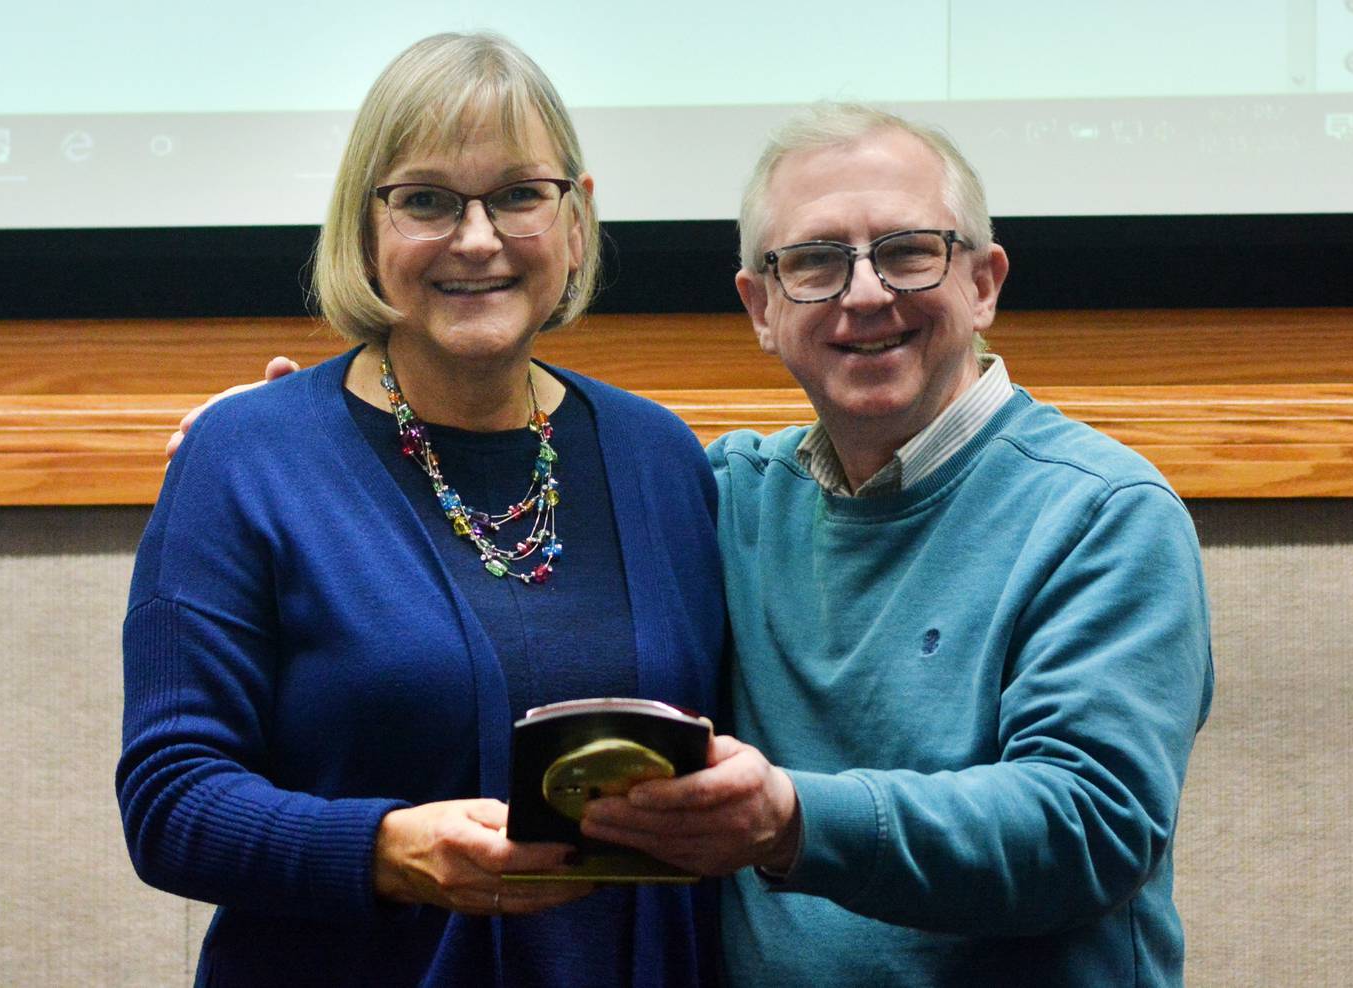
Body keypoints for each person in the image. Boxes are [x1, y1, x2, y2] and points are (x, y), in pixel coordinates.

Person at [173, 105, 1215, 986]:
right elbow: (500, 465)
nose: (862, 295)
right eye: (813, 262)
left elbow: (1092, 822)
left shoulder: (1103, 513)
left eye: (908, 251)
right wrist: (288, 437)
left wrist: (794, 819)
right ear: (759, 308)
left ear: (984, 281)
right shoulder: (719, 492)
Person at [117, 32, 724, 987]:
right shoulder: (244, 456)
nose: (477, 240)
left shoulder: (661, 458)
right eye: (427, 200)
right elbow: (170, 802)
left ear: (576, 219)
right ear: (365, 227)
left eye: (520, 195)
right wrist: (387, 851)